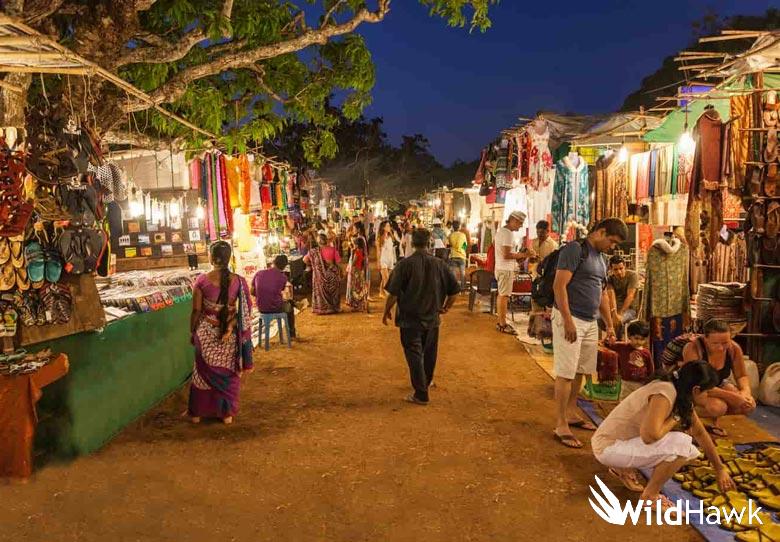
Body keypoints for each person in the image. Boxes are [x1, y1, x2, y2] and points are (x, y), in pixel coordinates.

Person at [593, 361, 735, 509]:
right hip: (607, 448)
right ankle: (650, 497)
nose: (709, 396)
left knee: (690, 450)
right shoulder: (665, 392)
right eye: (708, 392)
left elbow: (699, 433)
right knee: (682, 445)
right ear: (696, 390)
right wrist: (675, 418)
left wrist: (720, 469)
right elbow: (649, 436)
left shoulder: (677, 390)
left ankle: (621, 468)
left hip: (612, 442)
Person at [552, 217, 627, 448]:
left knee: (581, 370)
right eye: (612, 241)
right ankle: (560, 423)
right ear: (601, 232)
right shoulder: (575, 250)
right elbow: (559, 286)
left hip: (590, 320)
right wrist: (567, 320)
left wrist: (609, 325)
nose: (612, 247)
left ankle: (571, 411)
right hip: (571, 318)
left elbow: (601, 293)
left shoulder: (602, 259)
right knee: (566, 372)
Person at [383, 229, 460, 405]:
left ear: (412, 243)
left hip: (409, 319)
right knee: (429, 353)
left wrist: (386, 311)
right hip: (432, 317)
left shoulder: (404, 265)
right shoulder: (440, 264)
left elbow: (393, 294)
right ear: (429, 243)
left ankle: (421, 393)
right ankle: (426, 381)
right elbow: (455, 291)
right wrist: (446, 307)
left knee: (414, 354)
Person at [187, 241, 253, 425]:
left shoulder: (201, 281)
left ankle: (197, 414)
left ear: (211, 258)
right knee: (228, 373)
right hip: (228, 336)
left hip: (205, 334)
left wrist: (192, 332)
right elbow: (246, 310)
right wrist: (231, 325)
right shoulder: (239, 281)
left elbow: (196, 311)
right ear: (229, 258)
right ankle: (226, 414)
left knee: (200, 375)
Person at [681, 318, 756, 437]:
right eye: (715, 343)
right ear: (705, 339)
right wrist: (733, 397)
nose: (721, 348)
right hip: (695, 387)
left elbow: (741, 375)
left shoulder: (734, 348)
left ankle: (718, 424)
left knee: (747, 405)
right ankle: (688, 418)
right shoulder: (693, 349)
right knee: (718, 407)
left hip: (718, 383)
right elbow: (700, 384)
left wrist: (745, 393)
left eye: (725, 343)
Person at [494, 211, 531, 335]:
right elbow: (507, 254)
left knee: (502, 295)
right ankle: (502, 324)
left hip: (501, 268)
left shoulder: (501, 232)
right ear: (513, 220)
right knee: (504, 296)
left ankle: (501, 322)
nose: (521, 226)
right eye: (520, 223)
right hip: (505, 269)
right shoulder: (508, 234)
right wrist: (524, 254)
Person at [251, 254, 296, 340]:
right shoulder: (283, 277)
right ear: (284, 266)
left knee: (286, 303)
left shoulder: (259, 273)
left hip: (261, 308)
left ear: (273, 262)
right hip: (275, 307)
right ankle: (292, 334)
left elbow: (252, 292)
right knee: (290, 308)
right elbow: (280, 290)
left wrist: (263, 296)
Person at [609, 321, 653, 400]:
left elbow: (650, 369)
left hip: (641, 384)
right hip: (626, 383)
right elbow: (609, 344)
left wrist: (650, 383)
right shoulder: (623, 347)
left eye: (642, 339)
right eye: (636, 338)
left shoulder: (646, 353)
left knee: (639, 403)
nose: (639, 342)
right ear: (629, 336)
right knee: (624, 402)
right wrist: (611, 338)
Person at [304, 233, 341, 314]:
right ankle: (333, 308)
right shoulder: (333, 250)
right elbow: (338, 263)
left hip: (319, 277)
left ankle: (322, 308)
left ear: (318, 241)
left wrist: (315, 265)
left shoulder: (313, 252)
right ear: (326, 240)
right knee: (333, 291)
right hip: (332, 276)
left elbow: (305, 260)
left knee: (320, 287)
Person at [606, 255, 639, 336]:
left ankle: (616, 339)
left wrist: (620, 314)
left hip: (629, 309)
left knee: (619, 320)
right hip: (614, 308)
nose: (619, 272)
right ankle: (613, 337)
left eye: (621, 268)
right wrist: (614, 313)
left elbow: (630, 296)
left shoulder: (632, 276)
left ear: (625, 266)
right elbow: (611, 296)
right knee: (599, 318)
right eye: (615, 269)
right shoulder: (610, 279)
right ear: (611, 269)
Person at [346, 236, 369, 312]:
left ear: (357, 245)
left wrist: (352, 254)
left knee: (355, 289)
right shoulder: (363, 252)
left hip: (356, 272)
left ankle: (356, 305)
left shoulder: (357, 252)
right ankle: (362, 304)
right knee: (360, 288)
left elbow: (353, 263)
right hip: (361, 272)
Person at [377, 220, 398, 298]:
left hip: (390, 258)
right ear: (383, 227)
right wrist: (378, 262)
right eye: (387, 226)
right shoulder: (380, 238)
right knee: (386, 278)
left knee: (384, 278)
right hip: (383, 259)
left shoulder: (391, 236)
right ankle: (389, 295)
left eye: (389, 226)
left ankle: (381, 292)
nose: (389, 227)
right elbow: (378, 251)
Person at [448, 221, 469, 290]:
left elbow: (450, 244)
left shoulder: (450, 235)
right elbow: (465, 245)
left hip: (453, 255)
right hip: (462, 255)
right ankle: (462, 287)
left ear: (452, 227)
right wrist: (462, 250)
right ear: (459, 227)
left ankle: (454, 287)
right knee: (462, 273)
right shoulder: (463, 235)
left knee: (453, 273)